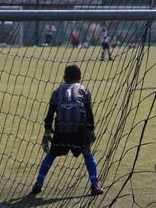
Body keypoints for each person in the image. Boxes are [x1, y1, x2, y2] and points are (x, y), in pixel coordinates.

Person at [32, 65, 104, 196]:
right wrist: (91, 130)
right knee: (87, 153)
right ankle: (95, 186)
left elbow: (50, 115)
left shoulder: (57, 91)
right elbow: (89, 114)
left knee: (51, 154)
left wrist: (47, 132)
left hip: (61, 130)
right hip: (79, 129)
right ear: (80, 78)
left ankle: (38, 183)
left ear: (64, 78)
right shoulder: (84, 90)